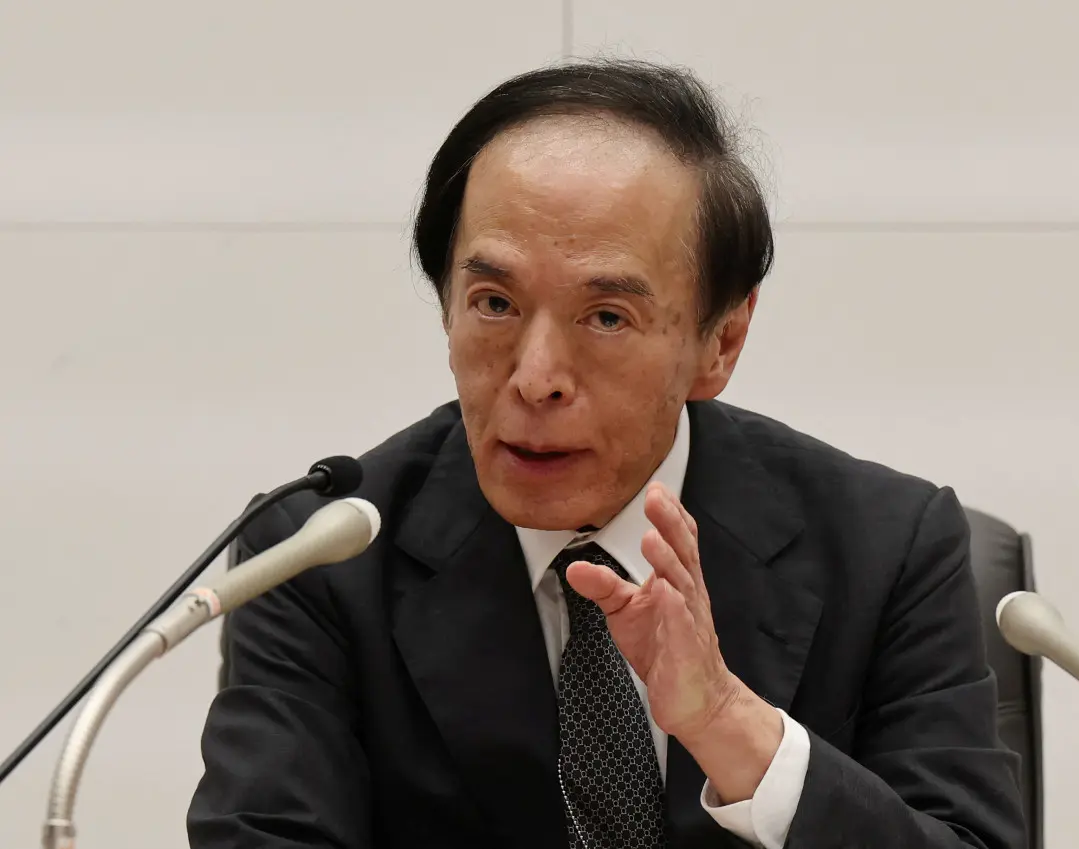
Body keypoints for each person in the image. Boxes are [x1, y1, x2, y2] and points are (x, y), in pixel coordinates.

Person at [187, 59, 1026, 849]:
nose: (536, 377)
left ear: (721, 341)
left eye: (607, 317)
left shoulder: (887, 546)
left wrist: (733, 726)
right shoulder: (319, 554)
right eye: (493, 302)